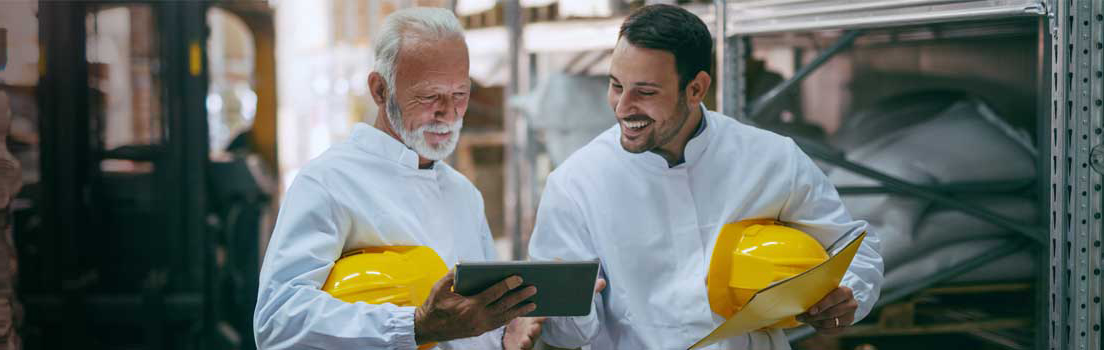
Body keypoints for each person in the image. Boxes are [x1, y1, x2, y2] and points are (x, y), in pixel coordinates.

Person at [527, 4, 884, 349]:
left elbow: (853, 246)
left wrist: (847, 294)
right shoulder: (576, 183)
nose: (622, 107)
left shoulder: (771, 159)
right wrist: (571, 306)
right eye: (616, 85)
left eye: (645, 92)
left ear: (696, 88)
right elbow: (562, 333)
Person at [252, 7, 547, 350]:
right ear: (380, 90)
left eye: (460, 95)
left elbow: (471, 321)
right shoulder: (328, 182)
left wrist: (502, 334)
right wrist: (415, 326)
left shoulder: (463, 194)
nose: (448, 113)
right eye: (430, 96)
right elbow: (277, 322)